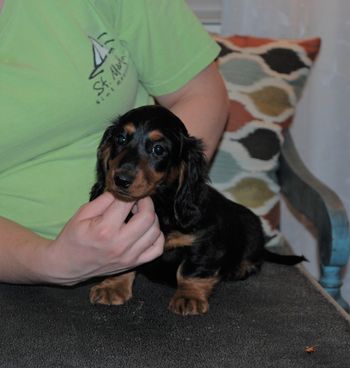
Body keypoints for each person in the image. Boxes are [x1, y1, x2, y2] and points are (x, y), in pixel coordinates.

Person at [0, 0, 229, 286]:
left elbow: (199, 92)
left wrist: (144, 213)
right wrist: (50, 261)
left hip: (166, 257)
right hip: (14, 275)